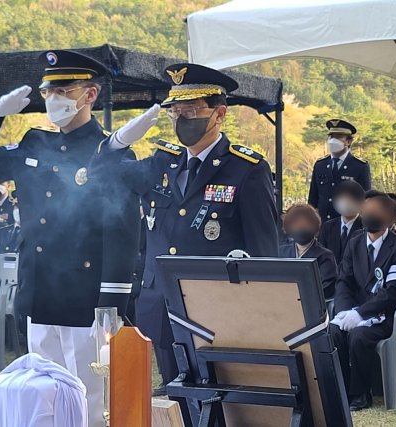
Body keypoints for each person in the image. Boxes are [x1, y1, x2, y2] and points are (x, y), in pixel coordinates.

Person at [0, 50, 140, 427]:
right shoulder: (34, 143)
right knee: (45, 396)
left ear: (89, 95)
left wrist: (112, 301)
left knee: (89, 399)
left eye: (63, 89)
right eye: (48, 91)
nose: (53, 99)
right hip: (40, 289)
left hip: (85, 297)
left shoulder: (108, 151)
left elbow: (122, 231)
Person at [105, 63, 278, 394]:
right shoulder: (160, 163)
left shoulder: (246, 170)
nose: (183, 118)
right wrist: (117, 141)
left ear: (219, 114)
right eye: (177, 111)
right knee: (172, 393)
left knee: (219, 395)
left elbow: (264, 251)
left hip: (216, 304)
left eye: (192, 109)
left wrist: (258, 315)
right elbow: (99, 177)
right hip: (160, 302)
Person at [330, 190, 396, 411]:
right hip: (355, 309)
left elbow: (393, 290)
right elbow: (343, 281)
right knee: (334, 332)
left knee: (359, 336)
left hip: (387, 316)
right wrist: (345, 311)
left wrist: (360, 314)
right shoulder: (354, 243)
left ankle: (361, 393)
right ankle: (342, 389)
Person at [308, 119, 371, 222]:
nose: (333, 141)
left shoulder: (360, 166)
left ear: (349, 141)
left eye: (338, 137)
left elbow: (365, 199)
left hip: (347, 226)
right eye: (331, 137)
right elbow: (313, 199)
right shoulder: (321, 165)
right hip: (322, 225)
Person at [279, 204, 337, 298]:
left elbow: (327, 288)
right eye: (296, 224)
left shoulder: (325, 256)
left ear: (315, 226)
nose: (301, 227)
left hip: (311, 305)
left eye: (306, 224)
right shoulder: (281, 252)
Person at [319, 180, 365, 263]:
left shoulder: (365, 226)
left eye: (350, 199)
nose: (346, 203)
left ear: (360, 203)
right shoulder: (328, 226)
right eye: (343, 199)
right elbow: (321, 254)